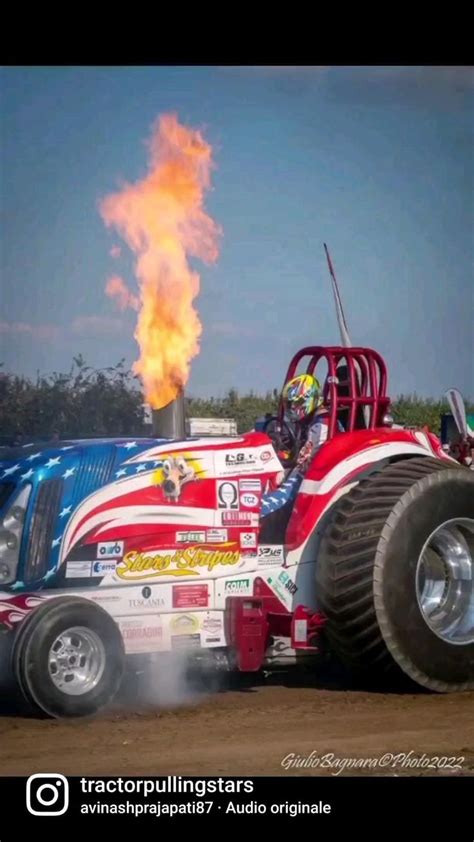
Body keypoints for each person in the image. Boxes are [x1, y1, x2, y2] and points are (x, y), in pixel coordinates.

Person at [260, 373, 334, 517]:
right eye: (290, 404)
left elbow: (304, 463)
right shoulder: (313, 420)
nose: (293, 408)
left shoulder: (322, 425)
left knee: (278, 476)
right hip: (312, 465)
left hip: (315, 471)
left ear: (308, 400)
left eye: (296, 404)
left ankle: (255, 513)